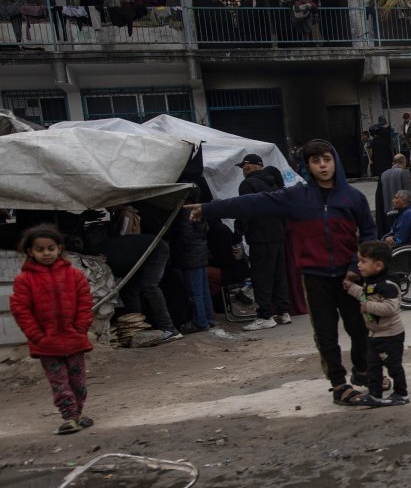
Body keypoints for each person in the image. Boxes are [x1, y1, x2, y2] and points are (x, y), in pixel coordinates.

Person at [185, 140, 380, 407]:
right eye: (315, 161)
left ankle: (362, 371)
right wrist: (209, 209)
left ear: (335, 161)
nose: (322, 165)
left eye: (326, 159)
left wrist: (356, 267)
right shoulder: (296, 197)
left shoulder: (353, 198)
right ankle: (339, 385)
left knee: (359, 329)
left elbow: (369, 233)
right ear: (308, 166)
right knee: (326, 335)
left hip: (350, 279)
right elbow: (252, 204)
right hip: (315, 277)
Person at [10, 225, 95, 435]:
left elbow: (85, 302)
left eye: (50, 248)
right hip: (47, 344)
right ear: (30, 252)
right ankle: (69, 416)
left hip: (74, 339)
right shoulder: (24, 280)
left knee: (78, 381)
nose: (46, 253)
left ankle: (79, 413)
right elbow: (21, 310)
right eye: (40, 249)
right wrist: (37, 336)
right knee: (59, 383)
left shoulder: (74, 275)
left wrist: (80, 328)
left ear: (59, 248)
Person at [344, 241, 409, 406]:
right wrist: (351, 288)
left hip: (390, 335)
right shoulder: (370, 280)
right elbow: (365, 295)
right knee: (373, 367)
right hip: (374, 334)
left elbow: (390, 307)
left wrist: (367, 307)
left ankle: (401, 394)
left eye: (363, 261)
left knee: (393, 367)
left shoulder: (387, 284)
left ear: (379, 265)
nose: (358, 265)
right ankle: (375, 395)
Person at [236, 154, 291, 330]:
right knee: (278, 275)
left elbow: (246, 210)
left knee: (261, 277)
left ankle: (265, 315)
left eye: (244, 167)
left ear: (249, 166)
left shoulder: (248, 184)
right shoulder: (273, 183)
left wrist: (237, 234)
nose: (243, 170)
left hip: (260, 238)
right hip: (278, 235)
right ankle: (283, 312)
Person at [99, 233, 182, 343]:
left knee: (150, 286)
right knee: (129, 290)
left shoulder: (100, 259)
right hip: (138, 256)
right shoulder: (103, 256)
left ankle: (169, 328)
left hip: (154, 249)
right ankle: (137, 327)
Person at [170, 192, 216, 334]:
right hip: (200, 252)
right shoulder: (198, 209)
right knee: (203, 290)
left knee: (194, 292)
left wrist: (176, 250)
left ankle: (200, 322)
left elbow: (185, 235)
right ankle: (209, 318)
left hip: (190, 255)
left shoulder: (185, 211)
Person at [376, 153, 411, 234]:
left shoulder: (383, 174)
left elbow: (380, 196)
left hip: (388, 213)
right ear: (404, 163)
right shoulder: (404, 173)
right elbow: (409, 195)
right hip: (403, 213)